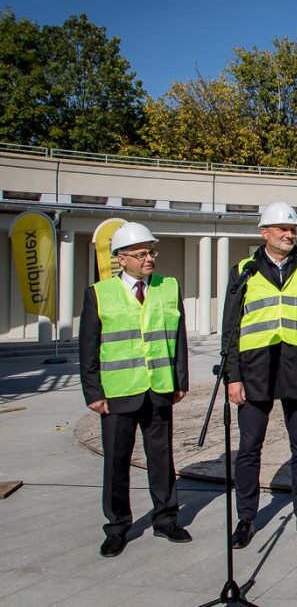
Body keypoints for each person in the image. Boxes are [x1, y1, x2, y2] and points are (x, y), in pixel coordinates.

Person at [223, 202, 297, 548]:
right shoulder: (244, 270)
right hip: (255, 370)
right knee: (249, 448)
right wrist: (232, 376)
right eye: (282, 229)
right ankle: (246, 518)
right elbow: (231, 327)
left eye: (293, 229)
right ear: (264, 233)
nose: (289, 234)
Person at [79, 221, 192, 557]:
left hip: (159, 389)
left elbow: (178, 338)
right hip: (118, 393)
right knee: (116, 462)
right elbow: (88, 348)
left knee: (161, 459)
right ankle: (117, 527)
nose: (149, 258)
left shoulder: (168, 287)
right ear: (121, 258)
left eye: (151, 252)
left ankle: (166, 519)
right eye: (141, 254)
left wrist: (180, 381)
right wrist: (93, 393)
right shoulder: (99, 294)